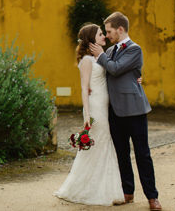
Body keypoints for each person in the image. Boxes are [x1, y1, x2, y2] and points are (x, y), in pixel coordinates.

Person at [89, 12, 162, 211]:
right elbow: (105, 72)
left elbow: (116, 68)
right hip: (114, 111)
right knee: (122, 154)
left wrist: (101, 56)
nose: (107, 35)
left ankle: (152, 197)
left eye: (110, 31)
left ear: (120, 29)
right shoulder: (110, 50)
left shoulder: (134, 49)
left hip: (135, 110)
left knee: (142, 154)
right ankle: (127, 192)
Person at [54, 23, 125, 205]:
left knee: (103, 144)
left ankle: (106, 189)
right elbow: (84, 89)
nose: (104, 36)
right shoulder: (87, 60)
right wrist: (86, 114)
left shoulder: (100, 57)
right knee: (98, 144)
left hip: (104, 105)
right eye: (101, 34)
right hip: (95, 107)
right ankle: (84, 189)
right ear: (92, 39)